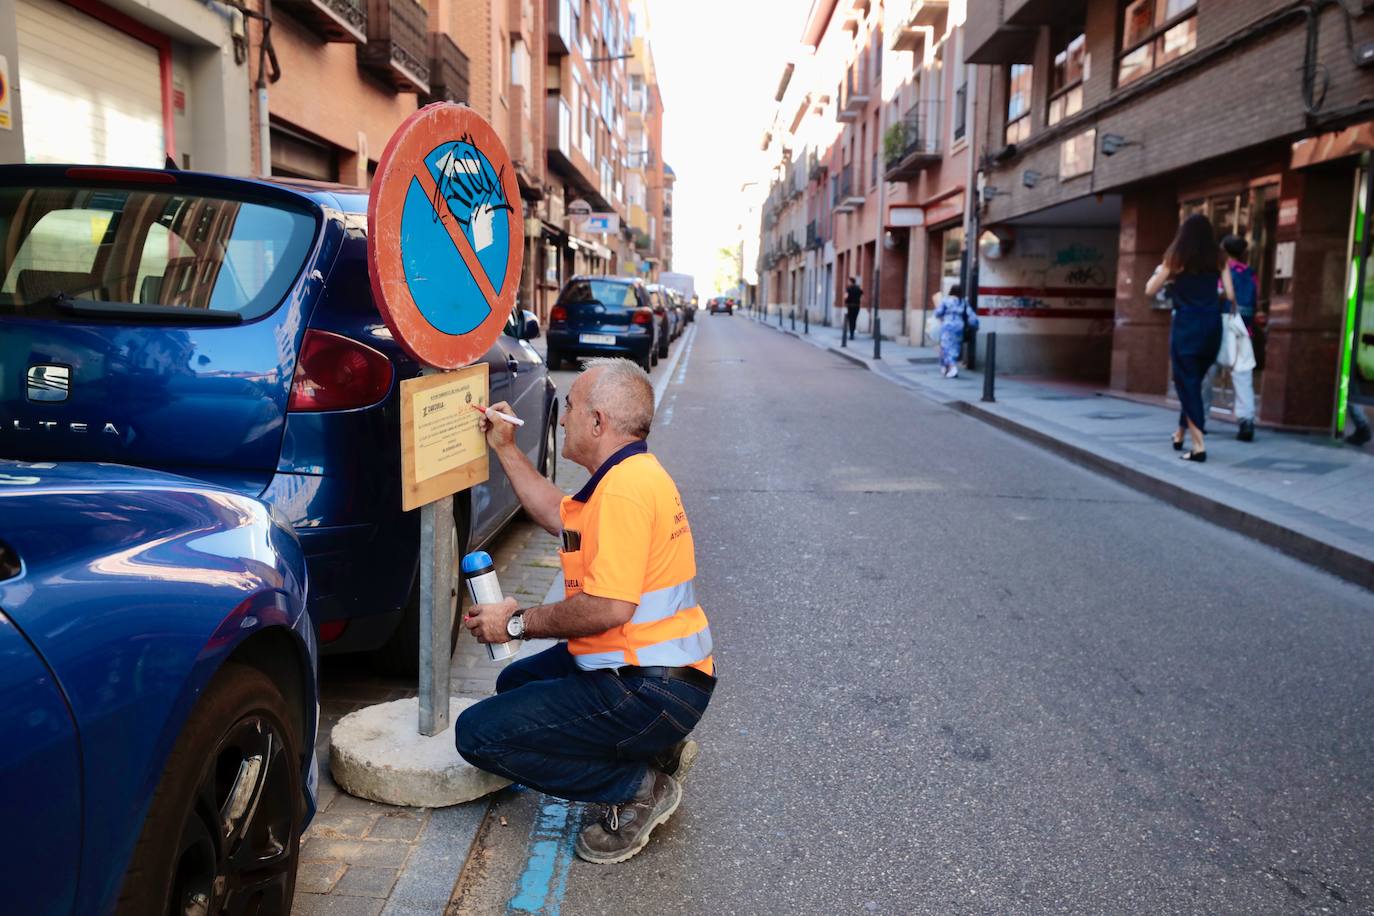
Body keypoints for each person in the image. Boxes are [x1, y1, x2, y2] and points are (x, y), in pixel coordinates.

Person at [455, 357, 715, 865]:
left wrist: (514, 622)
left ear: (598, 422)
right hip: (661, 675)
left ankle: (636, 785)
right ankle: (650, 746)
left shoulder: (624, 492)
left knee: (478, 735)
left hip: (647, 686)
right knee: (514, 688)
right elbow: (555, 512)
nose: (561, 417)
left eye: (570, 407)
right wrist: (505, 448)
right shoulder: (625, 476)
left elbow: (608, 607)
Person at [1146, 214, 1236, 462]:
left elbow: (1150, 289)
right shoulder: (1219, 257)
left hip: (1186, 326)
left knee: (1187, 381)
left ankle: (1198, 446)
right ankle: (1180, 433)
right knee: (1193, 380)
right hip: (1211, 326)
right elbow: (1229, 293)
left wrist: (1169, 278)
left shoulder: (1177, 256)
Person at [1221, 235, 1258, 442]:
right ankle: (1246, 420)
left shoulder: (1223, 270)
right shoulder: (1250, 273)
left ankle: (1200, 416)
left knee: (1207, 373)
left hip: (1221, 325)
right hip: (1242, 328)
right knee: (1242, 375)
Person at [933, 284, 977, 378]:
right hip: (959, 327)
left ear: (951, 291)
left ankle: (952, 367)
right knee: (955, 347)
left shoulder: (946, 301)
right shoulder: (963, 302)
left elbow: (938, 313)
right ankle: (947, 367)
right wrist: (975, 325)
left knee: (945, 347)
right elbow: (972, 317)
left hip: (947, 326)